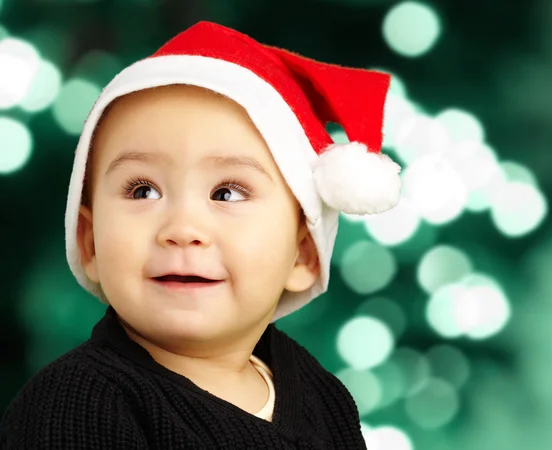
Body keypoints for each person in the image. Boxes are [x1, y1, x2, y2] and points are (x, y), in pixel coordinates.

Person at [0, 21, 401, 449]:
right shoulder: (76, 404)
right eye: (143, 190)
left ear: (303, 254)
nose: (183, 230)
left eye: (226, 193)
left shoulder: (319, 393)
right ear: (89, 240)